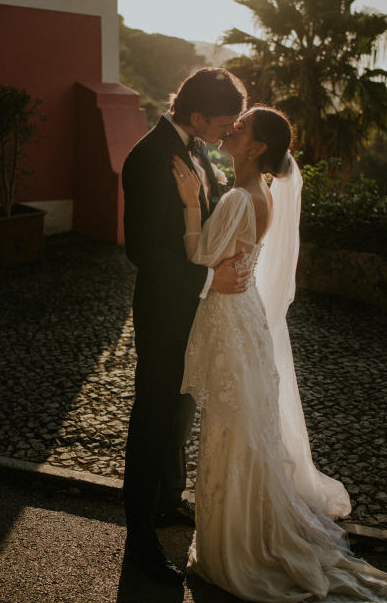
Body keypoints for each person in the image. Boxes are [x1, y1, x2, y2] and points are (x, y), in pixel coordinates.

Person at [171, 106, 387, 603]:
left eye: (243, 126)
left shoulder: (237, 198)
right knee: (244, 430)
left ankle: (234, 547)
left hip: (232, 320)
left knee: (232, 431)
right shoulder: (265, 194)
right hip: (245, 316)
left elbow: (199, 257)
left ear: (255, 148)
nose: (232, 127)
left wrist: (191, 204)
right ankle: (238, 531)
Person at [121, 67, 251, 584]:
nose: (231, 128)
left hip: (199, 309)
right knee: (153, 418)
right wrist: (207, 279)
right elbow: (143, 250)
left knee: (182, 410)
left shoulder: (198, 149)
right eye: (225, 121)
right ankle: (138, 537)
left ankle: (168, 502)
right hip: (164, 309)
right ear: (196, 115)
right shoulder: (147, 158)